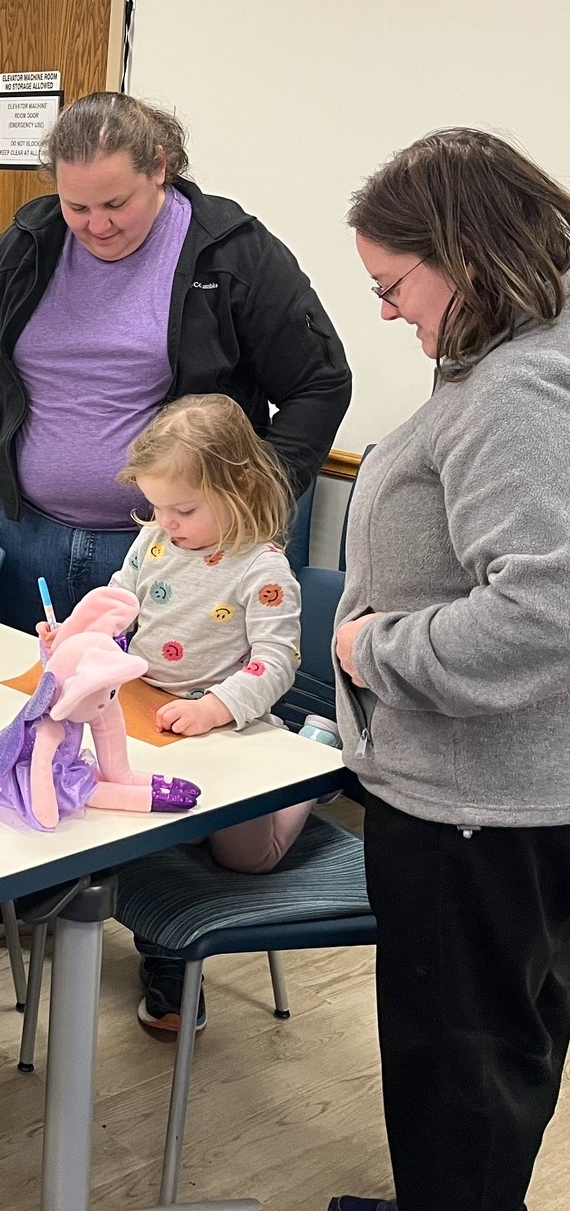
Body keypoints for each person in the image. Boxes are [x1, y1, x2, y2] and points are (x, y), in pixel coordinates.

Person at [0, 92, 349, 945]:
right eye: (77, 205)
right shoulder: (31, 244)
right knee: (50, 715)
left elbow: (319, 382)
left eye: (115, 203)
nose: (95, 224)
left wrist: (254, 500)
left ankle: (158, 938)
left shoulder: (232, 253)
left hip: (174, 552)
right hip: (32, 526)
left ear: (161, 171)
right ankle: (29, 888)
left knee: (159, 745)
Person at [328, 130, 570, 1211]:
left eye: (392, 284)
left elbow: (544, 608)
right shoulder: (516, 360)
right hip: (495, 798)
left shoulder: (518, 388)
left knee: (463, 1072)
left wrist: (375, 650)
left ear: (462, 256)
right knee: (479, 1072)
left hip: (478, 813)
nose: (386, 311)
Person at [98, 393, 306, 1037]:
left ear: (240, 486)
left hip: (226, 728)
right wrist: (88, 631)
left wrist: (217, 706)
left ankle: (312, 766)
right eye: (156, 506)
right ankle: (166, 957)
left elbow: (277, 661)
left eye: (183, 509)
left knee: (245, 858)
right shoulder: (154, 541)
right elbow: (120, 600)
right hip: (151, 717)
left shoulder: (263, 568)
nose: (165, 522)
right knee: (125, 825)